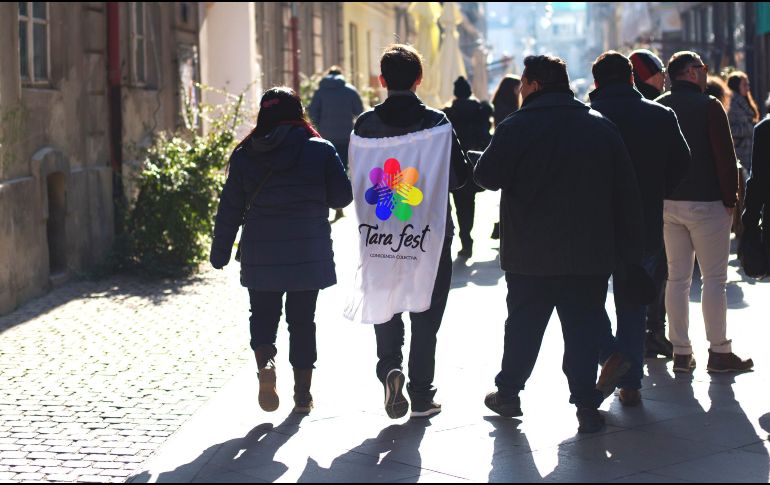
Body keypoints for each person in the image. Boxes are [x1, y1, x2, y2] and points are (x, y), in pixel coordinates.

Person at [475, 55, 644, 433]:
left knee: (523, 327)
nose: (519, 90)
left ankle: (508, 394)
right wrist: (629, 247)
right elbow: (626, 191)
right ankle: (586, 405)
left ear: (533, 84)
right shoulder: (600, 126)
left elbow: (485, 175)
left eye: (522, 83)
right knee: (583, 329)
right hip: (589, 253)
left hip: (529, 254)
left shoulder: (515, 126)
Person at [210, 87, 353, 414]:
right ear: (298, 112)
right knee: (302, 322)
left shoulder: (246, 154)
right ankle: (302, 395)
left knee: (262, 316)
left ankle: (266, 365)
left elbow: (229, 208)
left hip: (261, 252)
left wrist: (219, 253)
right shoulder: (321, 150)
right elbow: (342, 198)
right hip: (308, 250)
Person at [353, 44, 469, 420]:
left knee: (386, 302)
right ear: (419, 79)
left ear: (383, 80)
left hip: (381, 232)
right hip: (429, 234)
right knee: (426, 314)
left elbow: (355, 176)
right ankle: (421, 395)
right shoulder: (437, 123)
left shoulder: (364, 125)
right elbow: (459, 178)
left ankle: (389, 367)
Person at [588, 51, 690, 407]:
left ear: (596, 81)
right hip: (643, 222)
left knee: (585, 299)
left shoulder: (587, 117)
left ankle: (610, 353)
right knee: (633, 300)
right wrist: (657, 193)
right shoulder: (660, 114)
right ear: (632, 77)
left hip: (593, 226)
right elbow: (682, 162)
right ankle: (630, 384)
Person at [656, 52, 753, 374]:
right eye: (701, 67)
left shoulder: (659, 105)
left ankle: (681, 352)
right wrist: (731, 199)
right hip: (707, 201)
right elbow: (724, 155)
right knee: (714, 280)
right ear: (690, 72)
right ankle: (719, 351)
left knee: (677, 278)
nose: (704, 72)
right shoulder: (709, 105)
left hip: (669, 203)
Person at [444, 76, 493, 258]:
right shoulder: (480, 111)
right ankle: (467, 237)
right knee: (468, 204)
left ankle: (461, 240)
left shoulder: (447, 114)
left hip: (453, 164)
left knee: (456, 204)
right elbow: (486, 136)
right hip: (473, 162)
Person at [308, 66, 365, 220]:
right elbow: (360, 112)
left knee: (326, 169)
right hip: (346, 137)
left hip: (326, 138)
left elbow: (312, 113)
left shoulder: (320, 92)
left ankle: (331, 204)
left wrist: (319, 126)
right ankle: (340, 203)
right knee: (343, 169)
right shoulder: (350, 90)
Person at [727, 71, 760, 239]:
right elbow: (730, 129)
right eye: (744, 84)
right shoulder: (732, 102)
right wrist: (750, 128)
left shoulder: (745, 101)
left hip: (749, 150)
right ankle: (740, 226)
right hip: (740, 152)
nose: (748, 87)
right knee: (743, 188)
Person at [489, 75, 522, 240]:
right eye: (517, 88)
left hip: (504, 153)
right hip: (509, 153)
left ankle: (502, 226)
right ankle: (503, 226)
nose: (520, 91)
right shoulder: (508, 109)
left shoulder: (499, 104)